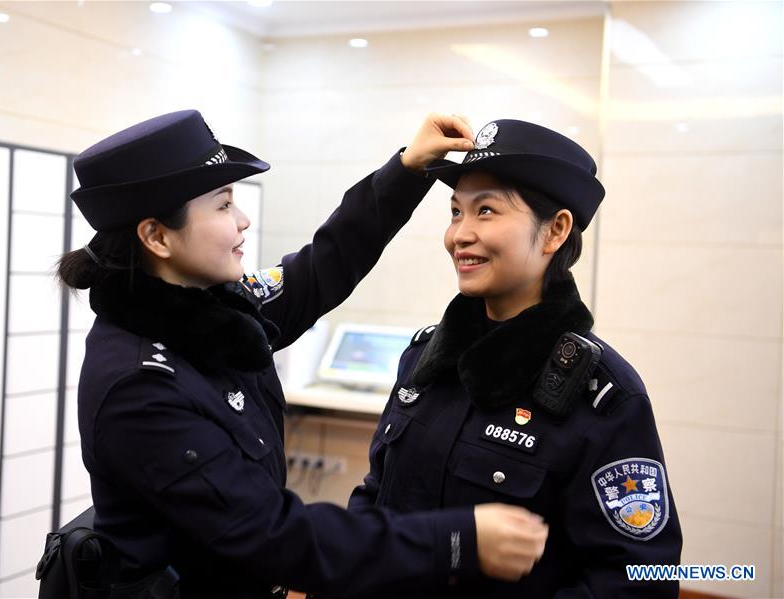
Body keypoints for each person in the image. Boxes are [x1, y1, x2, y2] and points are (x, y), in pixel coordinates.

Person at [57, 110, 549, 598]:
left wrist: (408, 169)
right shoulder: (140, 386)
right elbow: (271, 533)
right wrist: (460, 541)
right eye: (224, 205)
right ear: (157, 236)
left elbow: (325, 262)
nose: (244, 221)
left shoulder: (214, 313)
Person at [347, 119, 683, 598]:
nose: (459, 235)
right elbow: (376, 494)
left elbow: (637, 578)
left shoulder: (604, 395)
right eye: (455, 212)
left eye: (486, 211)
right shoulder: (426, 358)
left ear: (555, 231)